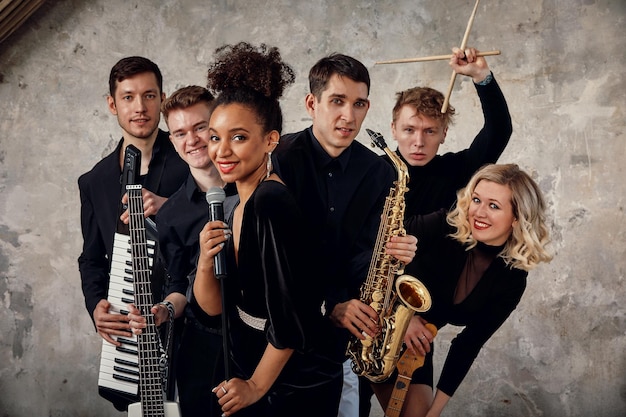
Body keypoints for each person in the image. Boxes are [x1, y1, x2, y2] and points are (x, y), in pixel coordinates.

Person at [361, 46, 514, 417]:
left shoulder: (456, 171)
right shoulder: (369, 172)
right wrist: (400, 316)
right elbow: (360, 245)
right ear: (394, 128)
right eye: (409, 129)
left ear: (444, 134)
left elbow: (499, 131)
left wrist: (481, 76)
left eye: (430, 131)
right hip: (368, 314)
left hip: (414, 325)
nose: (418, 141)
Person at [193, 42, 343, 417]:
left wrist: (257, 386)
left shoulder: (270, 203)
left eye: (238, 137)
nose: (221, 151)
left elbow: (293, 316)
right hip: (245, 355)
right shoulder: (236, 203)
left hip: (292, 381)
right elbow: (215, 309)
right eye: (215, 137)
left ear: (270, 141)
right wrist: (205, 262)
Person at [271, 53, 419, 417]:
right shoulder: (278, 157)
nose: (349, 116)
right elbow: (276, 257)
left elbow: (364, 258)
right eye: (337, 101)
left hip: (345, 342)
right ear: (311, 103)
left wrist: (395, 252)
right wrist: (328, 304)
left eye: (359, 104)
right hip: (279, 334)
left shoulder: (380, 173)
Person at [371, 163, 553, 417]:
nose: (478, 212)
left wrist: (435, 412)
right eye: (476, 199)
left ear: (517, 217)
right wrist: (404, 317)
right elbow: (376, 256)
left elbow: (468, 345)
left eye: (493, 205)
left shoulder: (512, 279)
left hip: (412, 347)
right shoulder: (443, 224)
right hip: (372, 321)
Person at [77, 56, 188, 410]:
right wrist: (96, 306)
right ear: (112, 104)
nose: (140, 107)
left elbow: (225, 217)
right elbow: (92, 259)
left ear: (162, 98)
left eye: (149, 96)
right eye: (128, 97)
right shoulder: (94, 182)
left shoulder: (193, 158)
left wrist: (170, 207)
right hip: (133, 337)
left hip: (195, 326)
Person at [127, 85, 230, 416]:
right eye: (181, 132)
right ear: (172, 141)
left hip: (260, 340)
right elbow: (178, 286)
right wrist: (163, 310)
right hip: (202, 348)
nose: (193, 140)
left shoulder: (256, 187)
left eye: (200, 127)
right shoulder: (171, 214)